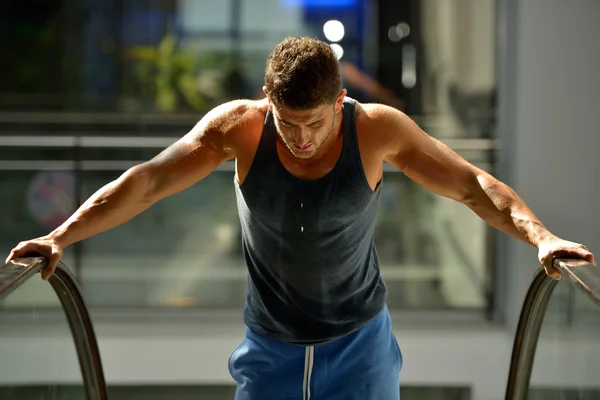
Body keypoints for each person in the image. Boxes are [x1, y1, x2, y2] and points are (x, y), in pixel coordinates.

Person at [5, 37, 595, 399]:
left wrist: (540, 237)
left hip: (361, 345)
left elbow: (472, 186)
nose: (303, 137)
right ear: (268, 100)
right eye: (288, 122)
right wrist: (61, 236)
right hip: (269, 347)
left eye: (316, 121)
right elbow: (149, 182)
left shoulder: (376, 129)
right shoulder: (237, 126)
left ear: (339, 102)